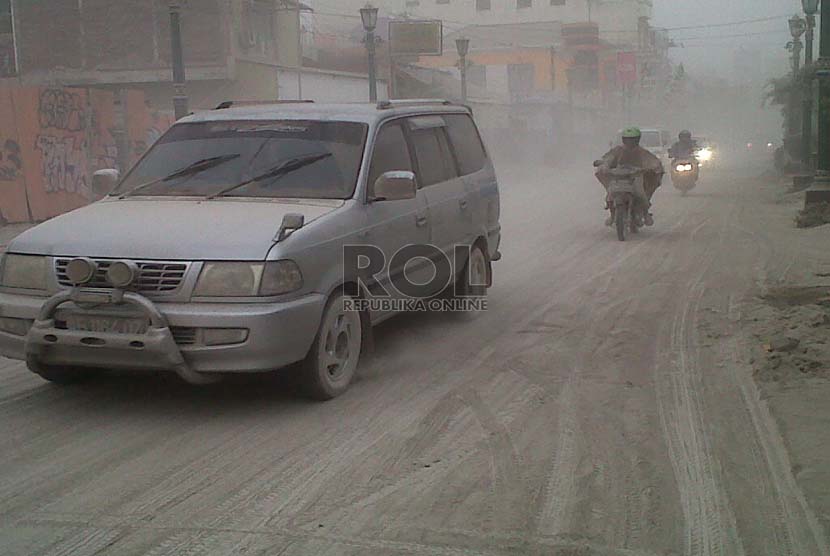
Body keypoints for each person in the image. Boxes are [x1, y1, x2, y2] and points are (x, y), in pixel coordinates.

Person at [596, 127, 664, 226]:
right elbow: (608, 158)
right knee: (610, 195)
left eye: (632, 139)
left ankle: (645, 214)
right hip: (618, 177)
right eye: (627, 139)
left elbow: (652, 161)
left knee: (640, 194)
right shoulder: (617, 150)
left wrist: (653, 166)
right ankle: (612, 215)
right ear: (623, 140)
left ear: (637, 140)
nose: (630, 142)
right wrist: (604, 165)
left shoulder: (642, 151)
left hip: (635, 176)